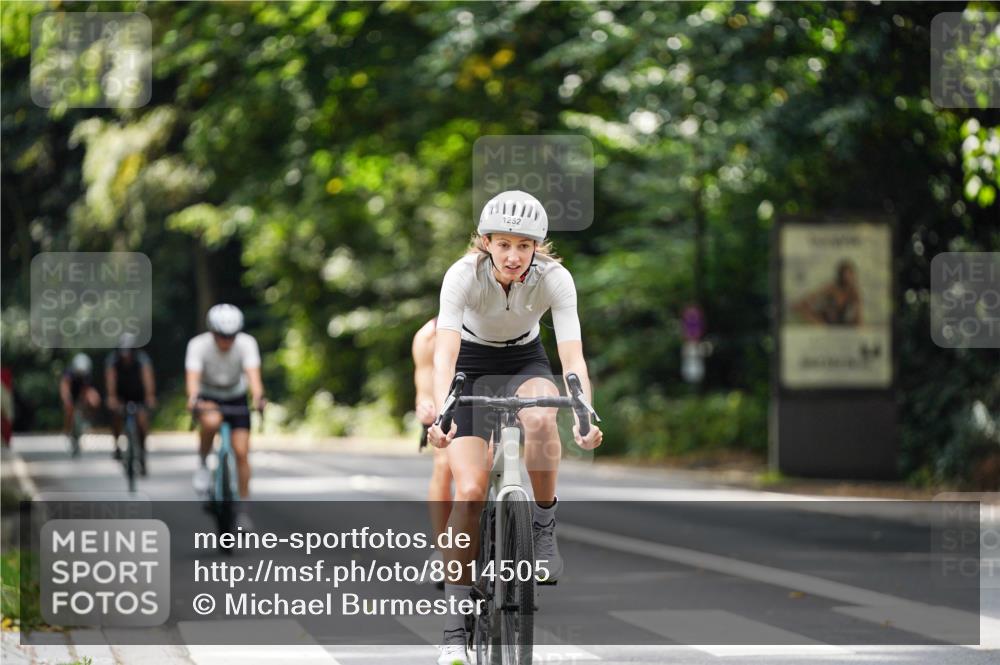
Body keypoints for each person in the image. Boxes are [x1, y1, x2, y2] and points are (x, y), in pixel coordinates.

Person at [426, 190, 603, 665]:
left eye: (524, 246)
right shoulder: (462, 275)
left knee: (544, 416)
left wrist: (585, 411)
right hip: (471, 360)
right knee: (469, 490)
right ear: (485, 242)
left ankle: (543, 526)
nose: (513, 255)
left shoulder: (555, 279)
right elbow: (444, 352)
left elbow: (571, 357)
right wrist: (444, 409)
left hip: (526, 360)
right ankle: (454, 631)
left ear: (537, 247)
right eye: (503, 244)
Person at [185, 304, 265, 525]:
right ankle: (203, 463)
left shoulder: (247, 343)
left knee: (241, 452)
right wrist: (193, 399)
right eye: (222, 336)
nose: (226, 341)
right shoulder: (198, 345)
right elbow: (192, 378)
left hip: (236, 395)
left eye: (231, 336)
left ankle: (243, 509)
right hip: (209, 394)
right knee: (211, 422)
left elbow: (253, 376)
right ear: (212, 332)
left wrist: (258, 397)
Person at [413, 317, 451, 587]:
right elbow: (424, 388)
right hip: (447, 402)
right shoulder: (428, 337)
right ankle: (442, 549)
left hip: (489, 392)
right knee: (444, 463)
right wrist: (426, 408)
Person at [105, 333, 157, 473]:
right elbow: (111, 380)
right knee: (116, 416)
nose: (126, 356)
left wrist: (150, 397)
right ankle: (117, 446)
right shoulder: (113, 361)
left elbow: (148, 379)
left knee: (142, 421)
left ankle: (142, 453)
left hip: (138, 395)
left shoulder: (142, 360)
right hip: (121, 395)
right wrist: (111, 398)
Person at [59, 353, 101, 455]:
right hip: (71, 393)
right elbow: (64, 387)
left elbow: (87, 390)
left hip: (80, 394)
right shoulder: (69, 373)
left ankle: (87, 421)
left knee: (95, 400)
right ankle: (68, 430)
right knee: (69, 410)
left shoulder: (87, 375)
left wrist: (90, 401)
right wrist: (67, 400)